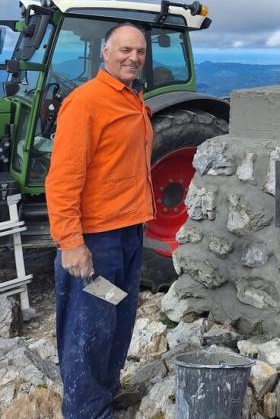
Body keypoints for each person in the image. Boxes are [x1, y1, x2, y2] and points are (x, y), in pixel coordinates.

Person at [46, 23, 155, 418]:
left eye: (140, 52)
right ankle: (85, 410)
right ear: (105, 53)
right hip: (97, 239)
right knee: (89, 327)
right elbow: (62, 177)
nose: (134, 58)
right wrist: (71, 243)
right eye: (125, 50)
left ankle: (104, 393)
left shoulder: (132, 99)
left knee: (117, 316)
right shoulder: (88, 102)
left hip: (128, 233)